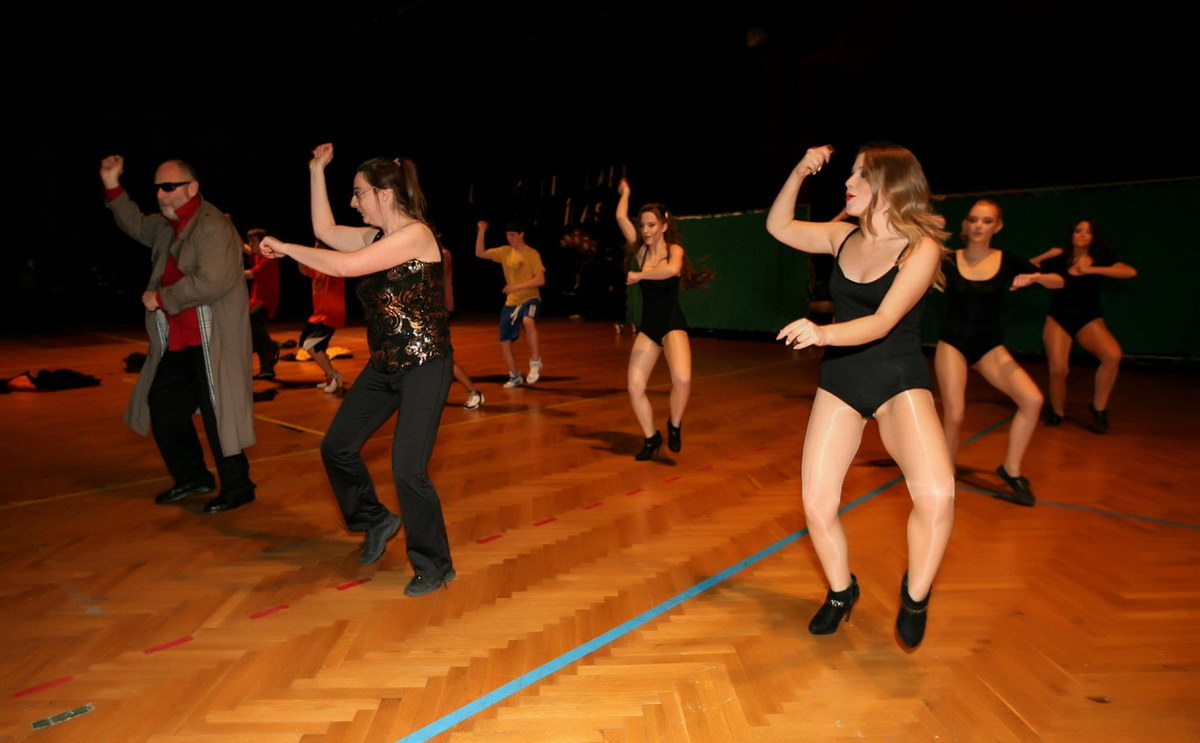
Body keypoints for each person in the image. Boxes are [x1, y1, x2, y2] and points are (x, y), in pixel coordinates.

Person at [766, 143, 954, 649]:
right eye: (849, 173)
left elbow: (883, 321)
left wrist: (821, 332)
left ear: (891, 185)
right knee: (816, 504)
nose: (848, 183)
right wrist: (799, 171)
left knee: (937, 496)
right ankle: (840, 591)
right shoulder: (841, 236)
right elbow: (778, 227)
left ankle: (915, 596)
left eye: (860, 175)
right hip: (842, 381)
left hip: (898, 379)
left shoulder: (920, 248)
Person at [259, 143, 455, 597]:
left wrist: (286, 248)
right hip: (384, 366)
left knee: (408, 470)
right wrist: (316, 170)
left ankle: (435, 565)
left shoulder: (416, 236)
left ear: (385, 193)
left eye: (359, 192)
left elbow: (346, 267)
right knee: (337, 448)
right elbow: (324, 231)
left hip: (425, 365)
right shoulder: (376, 238)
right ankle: (375, 519)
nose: (353, 201)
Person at [99, 156, 256, 514]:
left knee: (219, 417)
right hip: (178, 342)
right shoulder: (166, 226)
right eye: (157, 187)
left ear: (192, 188)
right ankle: (193, 476)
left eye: (169, 186)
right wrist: (111, 183)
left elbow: (211, 282)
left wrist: (161, 298)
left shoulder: (213, 226)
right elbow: (134, 223)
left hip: (213, 342)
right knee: (164, 409)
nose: (160, 194)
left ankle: (239, 487)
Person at [935, 200, 1063, 505]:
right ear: (965, 224)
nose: (979, 226)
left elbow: (1059, 281)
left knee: (1032, 400)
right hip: (952, 344)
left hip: (989, 346)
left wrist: (1037, 277)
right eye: (973, 220)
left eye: (986, 221)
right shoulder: (947, 260)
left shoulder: (1008, 260)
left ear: (998, 226)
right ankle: (943, 474)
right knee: (955, 413)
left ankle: (1010, 469)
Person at [615, 178, 697, 460]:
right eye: (642, 226)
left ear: (663, 225)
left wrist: (640, 275)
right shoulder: (641, 251)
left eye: (651, 225)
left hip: (672, 323)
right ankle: (651, 437)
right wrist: (626, 192)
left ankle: (674, 424)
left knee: (682, 379)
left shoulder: (674, 250)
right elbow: (620, 217)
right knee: (634, 387)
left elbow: (672, 271)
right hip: (649, 327)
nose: (646, 230)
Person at [1030, 219, 1137, 434]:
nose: (1081, 235)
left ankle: (1099, 410)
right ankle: (1057, 412)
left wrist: (1091, 269)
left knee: (1112, 355)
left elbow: (1129, 272)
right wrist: (1046, 254)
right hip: (1059, 317)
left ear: (1094, 237)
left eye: (1087, 232)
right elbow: (1026, 267)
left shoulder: (1101, 259)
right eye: (1078, 231)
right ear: (1071, 235)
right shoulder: (1059, 259)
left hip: (1088, 318)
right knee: (1058, 369)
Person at [475, 219, 545, 388]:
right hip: (512, 302)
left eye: (513, 235)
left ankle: (535, 361)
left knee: (528, 322)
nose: (510, 238)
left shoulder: (532, 253)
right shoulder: (505, 252)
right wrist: (482, 230)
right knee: (504, 341)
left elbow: (540, 280)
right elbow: (480, 253)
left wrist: (515, 287)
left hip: (530, 298)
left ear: (521, 235)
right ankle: (515, 376)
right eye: (508, 235)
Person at [297, 241, 346, 393]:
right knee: (310, 345)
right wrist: (298, 255)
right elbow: (304, 270)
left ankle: (333, 375)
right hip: (318, 315)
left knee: (311, 345)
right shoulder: (318, 269)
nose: (315, 249)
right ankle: (331, 377)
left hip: (330, 314)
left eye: (319, 246)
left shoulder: (332, 265)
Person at [440, 242, 484, 409]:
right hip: (427, 313)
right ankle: (437, 395)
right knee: (432, 359)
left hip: (437, 312)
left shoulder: (442, 254)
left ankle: (474, 392)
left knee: (442, 358)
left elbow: (434, 280)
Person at [244, 228, 281, 380]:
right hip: (255, 301)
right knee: (256, 335)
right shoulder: (258, 256)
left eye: (253, 241)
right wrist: (228, 226)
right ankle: (267, 369)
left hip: (265, 302)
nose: (250, 244)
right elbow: (244, 248)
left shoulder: (268, 258)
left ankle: (272, 346)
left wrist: (226, 275)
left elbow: (249, 274)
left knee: (252, 322)